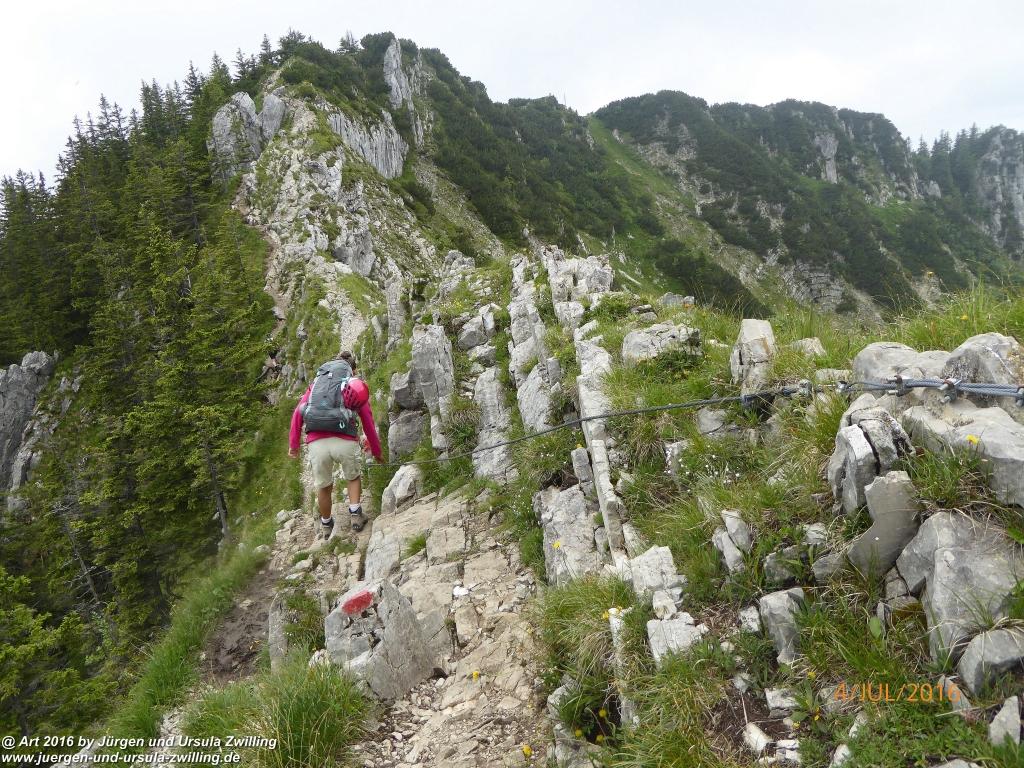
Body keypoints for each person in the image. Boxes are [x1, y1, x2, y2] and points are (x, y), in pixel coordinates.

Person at [288, 351, 382, 537]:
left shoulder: (317, 385)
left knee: (324, 486)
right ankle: (355, 515)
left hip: (316, 443)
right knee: (352, 477)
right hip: (345, 439)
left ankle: (326, 525)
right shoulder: (352, 386)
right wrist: (376, 451)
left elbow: (298, 413)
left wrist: (294, 446)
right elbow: (368, 421)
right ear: (352, 370)